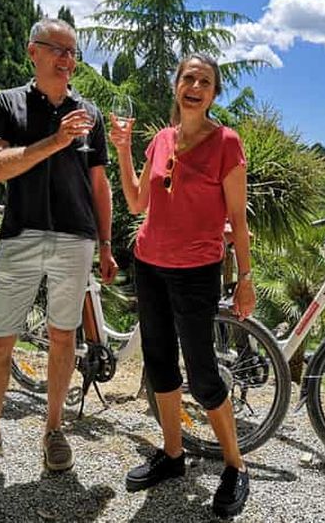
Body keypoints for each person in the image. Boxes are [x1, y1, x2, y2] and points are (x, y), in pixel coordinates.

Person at [0, 18, 118, 482]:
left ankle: (54, 430)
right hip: (21, 236)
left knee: (64, 338)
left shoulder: (90, 114)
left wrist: (105, 243)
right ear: (32, 52)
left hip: (76, 240)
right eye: (57, 49)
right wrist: (55, 141)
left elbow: (100, 185)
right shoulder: (7, 105)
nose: (66, 59)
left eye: (72, 51)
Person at [109, 53, 256, 518]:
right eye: (188, 78)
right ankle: (173, 456)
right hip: (149, 264)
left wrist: (246, 278)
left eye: (205, 81)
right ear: (177, 85)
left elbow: (237, 218)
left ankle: (236, 464)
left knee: (203, 372)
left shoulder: (226, 143)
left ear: (213, 94)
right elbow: (135, 203)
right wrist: (124, 149)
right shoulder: (161, 140)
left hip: (196, 271)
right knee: (158, 363)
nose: (195, 86)